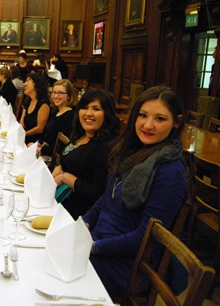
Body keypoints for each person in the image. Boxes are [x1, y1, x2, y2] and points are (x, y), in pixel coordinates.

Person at [83, 86, 187, 300]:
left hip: (126, 267)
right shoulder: (134, 151)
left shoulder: (170, 172)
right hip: (101, 245)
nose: (148, 125)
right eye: (142, 115)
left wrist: (93, 247)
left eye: (160, 119)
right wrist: (83, 223)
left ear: (176, 123)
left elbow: (144, 238)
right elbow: (107, 198)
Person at [51, 89, 120, 219]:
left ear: (107, 114)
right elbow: (69, 160)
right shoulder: (80, 135)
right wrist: (60, 168)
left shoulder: (105, 147)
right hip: (59, 201)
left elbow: (97, 193)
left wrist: (65, 177)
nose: (89, 113)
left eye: (96, 109)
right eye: (84, 108)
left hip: (76, 214)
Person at [38, 79, 76, 157]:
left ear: (69, 95)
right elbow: (46, 134)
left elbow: (61, 148)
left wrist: (40, 149)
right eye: (54, 92)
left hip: (51, 158)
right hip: (43, 150)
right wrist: (38, 143)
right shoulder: (56, 111)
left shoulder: (69, 116)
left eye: (60, 93)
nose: (55, 96)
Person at [20, 72, 50, 145]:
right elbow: (22, 121)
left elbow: (40, 129)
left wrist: (23, 134)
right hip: (24, 138)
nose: (24, 84)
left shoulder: (43, 104)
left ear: (36, 83)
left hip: (34, 143)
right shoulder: (28, 100)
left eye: (27, 81)